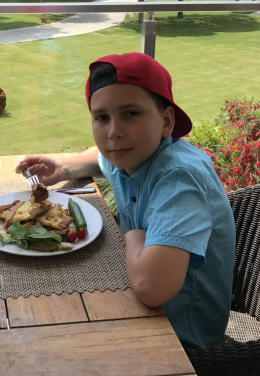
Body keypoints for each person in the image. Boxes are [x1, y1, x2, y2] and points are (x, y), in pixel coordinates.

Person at [16, 52, 236, 350]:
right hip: (134, 305)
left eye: (130, 113)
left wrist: (133, 237)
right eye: (102, 117)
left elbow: (151, 288)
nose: (114, 132)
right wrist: (64, 168)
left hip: (181, 342)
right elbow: (99, 158)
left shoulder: (179, 180)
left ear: (166, 121)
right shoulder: (131, 157)